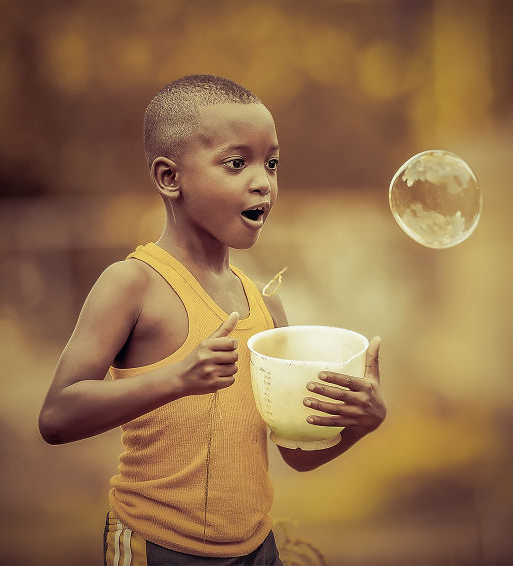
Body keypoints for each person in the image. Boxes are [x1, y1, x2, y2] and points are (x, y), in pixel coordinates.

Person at [38, 74, 385, 565]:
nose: (263, 180)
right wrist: (178, 378)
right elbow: (56, 416)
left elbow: (293, 454)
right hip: (154, 547)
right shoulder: (132, 283)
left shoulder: (267, 306)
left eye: (272, 163)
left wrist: (359, 424)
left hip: (255, 550)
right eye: (236, 162)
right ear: (169, 178)